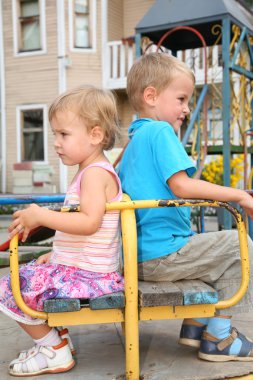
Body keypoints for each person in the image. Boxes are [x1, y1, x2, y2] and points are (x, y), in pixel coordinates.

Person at [119, 52, 253, 362]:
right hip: (161, 254)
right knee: (238, 246)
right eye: (181, 98)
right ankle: (219, 338)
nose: (187, 108)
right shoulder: (160, 131)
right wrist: (240, 196)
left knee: (210, 249)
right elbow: (182, 186)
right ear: (151, 96)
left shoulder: (134, 141)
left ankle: (195, 327)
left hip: (141, 255)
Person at [0, 85, 124, 376]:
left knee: (11, 286)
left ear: (95, 135)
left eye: (64, 134)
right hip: (84, 269)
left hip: (92, 278)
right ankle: (58, 338)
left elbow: (89, 222)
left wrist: (42, 214)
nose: (56, 142)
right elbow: (81, 232)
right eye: (55, 134)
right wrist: (55, 255)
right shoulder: (88, 171)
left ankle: (53, 349)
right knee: (28, 273)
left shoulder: (94, 174)